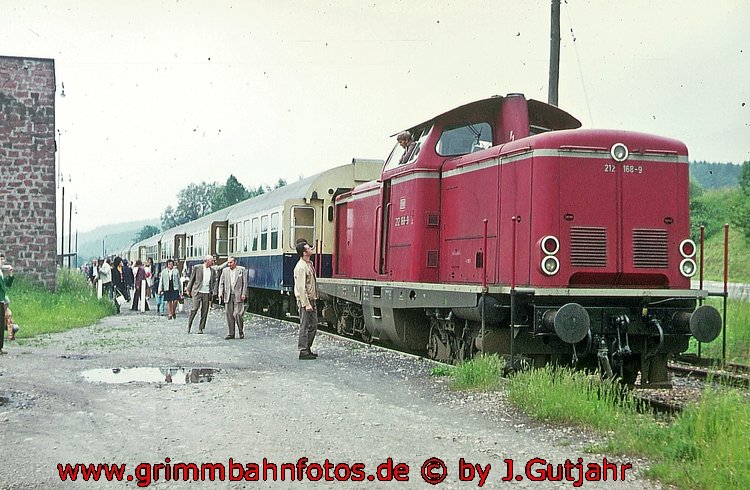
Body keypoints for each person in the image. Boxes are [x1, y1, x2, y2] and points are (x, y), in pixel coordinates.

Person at [293, 241, 318, 360]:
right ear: (304, 252)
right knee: (304, 325)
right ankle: (303, 350)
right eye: (309, 248)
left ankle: (307, 348)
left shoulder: (308, 264)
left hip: (311, 299)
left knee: (313, 324)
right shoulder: (301, 267)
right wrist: (306, 303)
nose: (311, 248)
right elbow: (301, 287)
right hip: (305, 301)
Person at [218, 256, 247, 339]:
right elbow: (221, 283)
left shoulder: (241, 270)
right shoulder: (225, 271)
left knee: (238, 314)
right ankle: (231, 333)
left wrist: (243, 293)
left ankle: (241, 330)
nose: (229, 264)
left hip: (238, 295)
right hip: (228, 295)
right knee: (229, 315)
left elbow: (245, 283)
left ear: (235, 262)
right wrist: (220, 292)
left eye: (231, 262)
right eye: (228, 263)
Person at [186, 254, 216, 334]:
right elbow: (192, 279)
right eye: (211, 261)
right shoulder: (197, 268)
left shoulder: (212, 271)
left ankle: (201, 328)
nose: (213, 262)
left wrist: (213, 291)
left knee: (205, 311)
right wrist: (188, 289)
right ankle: (189, 325)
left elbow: (213, 282)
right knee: (195, 308)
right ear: (206, 261)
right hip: (197, 291)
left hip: (207, 292)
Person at [0, 252, 14, 354]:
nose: (2, 261)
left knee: (1, 324)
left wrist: (10, 275)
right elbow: (3, 286)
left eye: (2, 259)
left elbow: (6, 285)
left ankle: (0, 347)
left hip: (1, 300)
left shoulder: (0, 272)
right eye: (0, 259)